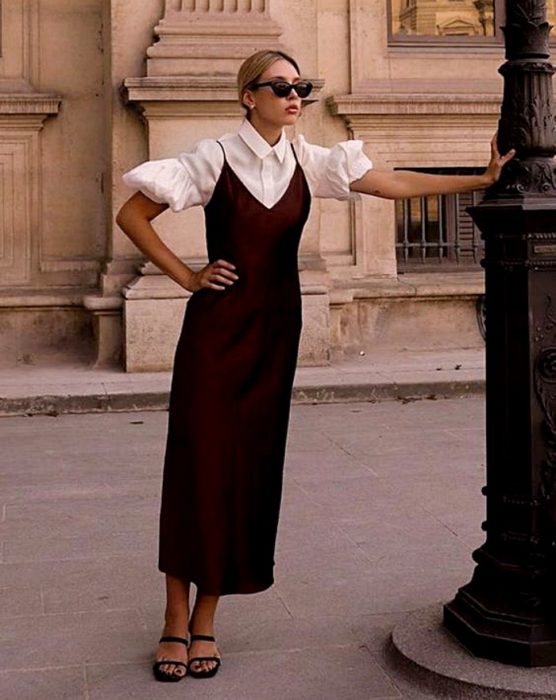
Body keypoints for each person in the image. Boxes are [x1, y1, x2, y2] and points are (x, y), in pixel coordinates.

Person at [116, 49, 514, 683]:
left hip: (276, 332)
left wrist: (480, 179)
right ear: (249, 96)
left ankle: (207, 620)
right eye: (281, 86)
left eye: (301, 85)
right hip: (217, 332)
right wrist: (188, 276)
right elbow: (133, 214)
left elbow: (391, 184)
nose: (295, 95)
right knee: (197, 463)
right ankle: (172, 617)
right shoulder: (212, 157)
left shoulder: (310, 158)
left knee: (247, 467)